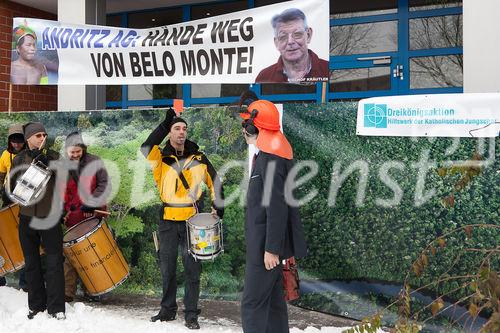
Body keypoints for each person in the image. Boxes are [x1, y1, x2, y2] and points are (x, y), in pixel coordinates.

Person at [141, 108, 224, 330]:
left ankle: (191, 314)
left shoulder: (199, 157)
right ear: (169, 133)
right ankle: (167, 310)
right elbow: (145, 147)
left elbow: (215, 182)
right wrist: (163, 124)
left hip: (192, 222)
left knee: (192, 270)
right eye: (176, 128)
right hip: (168, 219)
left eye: (184, 129)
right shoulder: (159, 158)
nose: (181, 132)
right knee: (167, 268)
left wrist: (218, 207)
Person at [238, 92, 307, 333]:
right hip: (264, 245)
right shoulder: (268, 156)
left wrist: (272, 249)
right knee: (274, 304)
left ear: (255, 127)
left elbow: (277, 209)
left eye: (246, 124)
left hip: (265, 249)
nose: (243, 129)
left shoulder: (271, 161)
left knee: (252, 304)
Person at [9, 122, 65, 320]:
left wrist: (47, 163)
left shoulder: (54, 156)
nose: (42, 138)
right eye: (38, 135)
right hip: (26, 219)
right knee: (31, 263)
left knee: (54, 262)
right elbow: (14, 188)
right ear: (28, 138)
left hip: (50, 217)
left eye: (44, 135)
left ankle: (57, 308)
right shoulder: (18, 159)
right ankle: (36, 306)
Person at [62, 131, 110, 302]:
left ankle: (94, 289)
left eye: (78, 151)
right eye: (72, 152)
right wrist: (63, 211)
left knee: (95, 254)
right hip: (74, 216)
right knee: (71, 256)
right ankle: (68, 292)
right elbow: (62, 192)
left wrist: (92, 202)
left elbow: (105, 184)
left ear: (83, 148)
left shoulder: (95, 161)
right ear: (67, 151)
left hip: (94, 213)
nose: (75, 155)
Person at [255, 8, 329, 84]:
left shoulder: (330, 70)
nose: (290, 42)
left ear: (308, 35)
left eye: (297, 34)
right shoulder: (264, 77)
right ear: (276, 43)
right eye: (283, 37)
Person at [0, 124, 26, 288]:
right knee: (5, 239)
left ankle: (25, 281)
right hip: (7, 201)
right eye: (13, 141)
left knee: (25, 240)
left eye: (19, 141)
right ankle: (2, 277)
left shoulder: (28, 154)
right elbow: (1, 176)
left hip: (24, 202)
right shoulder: (4, 155)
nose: (16, 144)